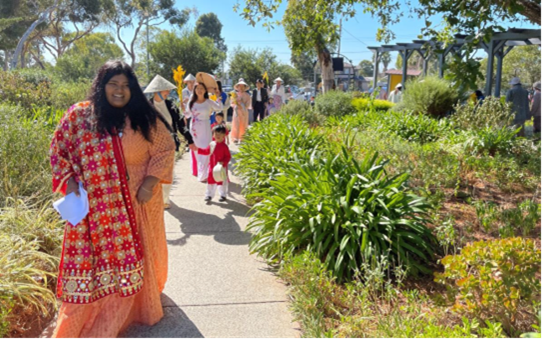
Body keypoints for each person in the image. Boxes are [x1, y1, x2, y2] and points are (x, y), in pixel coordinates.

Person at [49, 60, 176, 338]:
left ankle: (143, 304)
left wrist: (149, 183)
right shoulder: (81, 117)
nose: (120, 91)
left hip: (140, 198)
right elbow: (58, 151)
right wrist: (71, 184)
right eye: (113, 84)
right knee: (105, 261)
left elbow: (166, 150)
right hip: (101, 207)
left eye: (126, 85)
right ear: (101, 86)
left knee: (144, 249)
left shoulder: (143, 116)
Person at [144, 74, 196, 209]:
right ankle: (156, 197)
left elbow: (180, 124)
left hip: (169, 144)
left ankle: (165, 200)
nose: (168, 92)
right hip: (151, 145)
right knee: (153, 172)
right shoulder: (146, 107)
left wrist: (190, 140)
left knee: (168, 172)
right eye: (165, 90)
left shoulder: (171, 106)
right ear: (157, 91)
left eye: (168, 90)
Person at [185, 82, 223, 182]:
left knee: (206, 149)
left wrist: (218, 96)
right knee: (197, 150)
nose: (200, 90)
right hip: (194, 128)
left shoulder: (208, 102)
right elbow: (187, 115)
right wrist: (183, 105)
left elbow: (219, 108)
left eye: (202, 88)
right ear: (195, 90)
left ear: (205, 90)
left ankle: (203, 173)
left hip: (205, 127)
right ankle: (201, 173)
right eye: (197, 88)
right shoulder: (191, 102)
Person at [198, 125, 232, 202]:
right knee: (210, 181)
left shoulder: (224, 146)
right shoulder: (212, 144)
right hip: (212, 167)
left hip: (221, 168)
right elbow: (206, 151)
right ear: (213, 134)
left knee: (221, 182)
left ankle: (223, 195)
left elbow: (228, 157)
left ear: (224, 135)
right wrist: (198, 150)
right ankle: (209, 195)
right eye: (216, 133)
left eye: (220, 134)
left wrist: (224, 162)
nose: (218, 135)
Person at [230, 78, 251, 144]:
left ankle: (242, 138)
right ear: (237, 87)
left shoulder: (247, 95)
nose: (241, 88)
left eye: (243, 86)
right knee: (236, 124)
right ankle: (235, 138)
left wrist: (242, 104)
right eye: (240, 86)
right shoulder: (234, 94)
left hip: (244, 112)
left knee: (243, 125)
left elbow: (248, 104)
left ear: (245, 87)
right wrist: (236, 104)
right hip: (236, 111)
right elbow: (232, 103)